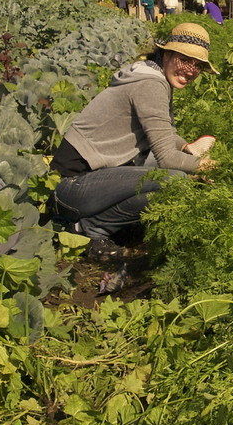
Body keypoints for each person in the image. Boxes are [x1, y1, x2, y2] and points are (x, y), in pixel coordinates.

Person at [50, 22, 220, 260]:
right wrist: (207, 167)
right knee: (174, 180)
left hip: (78, 183)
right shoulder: (151, 84)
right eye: (185, 60)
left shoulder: (149, 72)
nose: (191, 70)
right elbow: (167, 158)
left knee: (161, 166)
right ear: (167, 53)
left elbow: (164, 133)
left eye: (198, 65)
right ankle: (89, 230)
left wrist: (186, 148)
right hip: (69, 188)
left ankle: (104, 221)